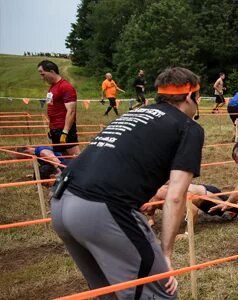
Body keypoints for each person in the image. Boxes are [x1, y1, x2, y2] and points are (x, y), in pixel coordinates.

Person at [51, 67, 204, 298]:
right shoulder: (188, 127)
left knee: (110, 294)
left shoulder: (133, 114)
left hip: (61, 202)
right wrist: (165, 254)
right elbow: (175, 195)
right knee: (157, 293)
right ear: (191, 96)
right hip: (102, 209)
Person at [141, 183, 238, 227]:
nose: (144, 211)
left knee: (236, 208)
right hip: (202, 200)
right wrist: (151, 220)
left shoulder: (164, 194)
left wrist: (187, 233)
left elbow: (193, 211)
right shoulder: (150, 198)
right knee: (232, 200)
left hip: (207, 196)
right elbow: (151, 209)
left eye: (143, 208)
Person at [37, 60, 80, 156]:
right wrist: (51, 128)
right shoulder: (52, 87)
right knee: (62, 158)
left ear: (52, 72)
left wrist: (65, 132)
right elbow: (51, 108)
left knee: (75, 158)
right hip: (55, 129)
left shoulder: (65, 86)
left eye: (43, 74)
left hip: (64, 129)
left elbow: (71, 111)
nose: (42, 78)